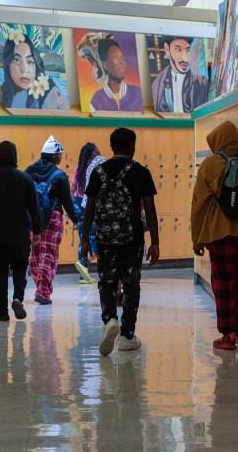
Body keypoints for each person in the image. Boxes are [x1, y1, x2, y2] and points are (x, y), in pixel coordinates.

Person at [82, 128, 159, 356]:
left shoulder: (98, 172)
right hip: (132, 239)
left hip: (105, 239)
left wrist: (85, 239)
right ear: (132, 147)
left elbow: (90, 210)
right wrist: (155, 242)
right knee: (131, 284)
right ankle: (127, 335)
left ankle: (109, 320)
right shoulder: (140, 173)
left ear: (112, 146)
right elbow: (150, 209)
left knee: (106, 281)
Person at [191, 121, 238, 350]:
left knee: (223, 284)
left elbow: (199, 204)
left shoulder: (212, 164)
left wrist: (197, 237)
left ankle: (228, 334)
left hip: (220, 234)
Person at [0, 141, 42, 321]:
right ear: (14, 155)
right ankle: (18, 298)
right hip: (20, 235)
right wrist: (37, 231)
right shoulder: (25, 179)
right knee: (20, 268)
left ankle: (3, 311)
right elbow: (35, 208)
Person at [26, 135, 78, 304]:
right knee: (49, 254)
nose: (61, 157)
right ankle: (43, 291)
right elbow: (67, 202)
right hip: (52, 218)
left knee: (35, 254)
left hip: (33, 219)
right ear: (54, 155)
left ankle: (40, 286)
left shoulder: (28, 172)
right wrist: (76, 219)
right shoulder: (59, 176)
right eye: (60, 154)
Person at [0, 34, 68, 110]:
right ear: (7, 63)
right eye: (17, 60)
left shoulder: (48, 90)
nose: (25, 69)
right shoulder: (5, 92)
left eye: (30, 61)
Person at [72, 143, 104, 284]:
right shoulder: (96, 167)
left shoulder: (79, 168)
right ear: (92, 153)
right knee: (95, 235)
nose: (99, 150)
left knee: (83, 237)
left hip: (78, 203)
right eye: (97, 149)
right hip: (89, 203)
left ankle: (83, 271)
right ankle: (97, 262)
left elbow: (72, 188)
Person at [151, 36, 210, 114]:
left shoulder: (201, 83)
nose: (185, 58)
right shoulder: (157, 84)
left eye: (188, 50)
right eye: (178, 50)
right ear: (167, 50)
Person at [90, 38, 143, 112]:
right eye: (115, 57)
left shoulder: (137, 94)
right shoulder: (96, 100)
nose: (121, 62)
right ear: (105, 65)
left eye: (122, 57)